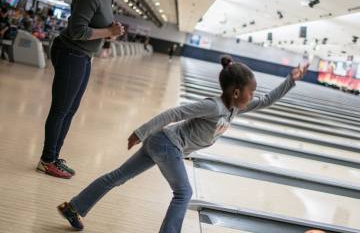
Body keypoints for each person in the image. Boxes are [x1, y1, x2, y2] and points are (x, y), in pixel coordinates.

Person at [57, 55, 309, 232]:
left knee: (118, 176)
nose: (252, 97)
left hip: (164, 144)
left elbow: (266, 100)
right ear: (235, 92)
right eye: (250, 92)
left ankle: (74, 207)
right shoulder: (214, 106)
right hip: (167, 144)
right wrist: (141, 131)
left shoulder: (235, 110)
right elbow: (175, 113)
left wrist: (291, 79)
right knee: (184, 193)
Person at [36, 0, 125, 179]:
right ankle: (46, 160)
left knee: (70, 110)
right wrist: (109, 32)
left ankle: (53, 158)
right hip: (70, 52)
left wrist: (111, 33)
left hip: (84, 55)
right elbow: (77, 31)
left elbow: (100, 28)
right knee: (60, 110)